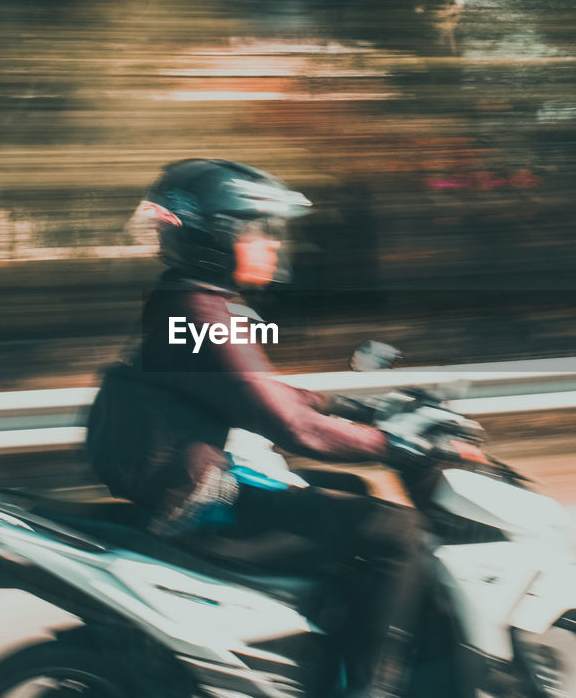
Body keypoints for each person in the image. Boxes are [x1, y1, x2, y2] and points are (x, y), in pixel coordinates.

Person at [86, 158, 443, 698]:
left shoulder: (190, 301)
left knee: (353, 491)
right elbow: (294, 429)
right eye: (260, 229)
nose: (274, 244)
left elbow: (255, 392)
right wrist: (396, 447)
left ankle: (317, 653)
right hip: (201, 509)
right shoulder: (198, 314)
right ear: (217, 236)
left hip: (194, 490)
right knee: (398, 533)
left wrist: (349, 406)